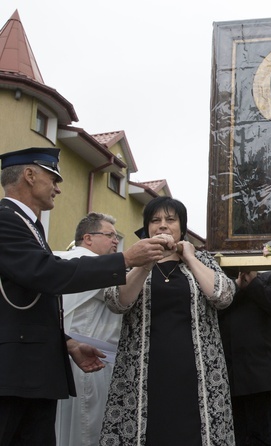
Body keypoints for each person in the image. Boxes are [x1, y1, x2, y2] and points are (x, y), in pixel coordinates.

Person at [0, 147, 170, 445]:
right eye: (53, 178)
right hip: (14, 375)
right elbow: (47, 274)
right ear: (29, 175)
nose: (58, 188)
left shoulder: (29, 225)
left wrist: (67, 344)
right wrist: (124, 260)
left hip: (33, 372)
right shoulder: (7, 220)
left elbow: (30, 302)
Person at [98, 196, 240, 445]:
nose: (162, 225)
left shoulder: (203, 260)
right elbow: (117, 302)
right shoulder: (132, 261)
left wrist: (191, 259)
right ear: (147, 228)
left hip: (197, 373)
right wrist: (145, 262)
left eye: (170, 220)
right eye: (155, 220)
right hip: (145, 372)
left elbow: (223, 296)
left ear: (181, 228)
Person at [54, 213, 123, 446]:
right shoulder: (94, 267)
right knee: (88, 430)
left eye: (116, 237)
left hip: (62, 358)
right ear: (87, 238)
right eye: (109, 235)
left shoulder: (56, 262)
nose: (115, 241)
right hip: (90, 361)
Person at [218, 270, 271, 446]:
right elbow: (212, 312)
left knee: (261, 435)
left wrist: (253, 283)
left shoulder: (268, 279)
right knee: (234, 435)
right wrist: (236, 286)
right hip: (227, 373)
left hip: (260, 374)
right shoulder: (218, 277)